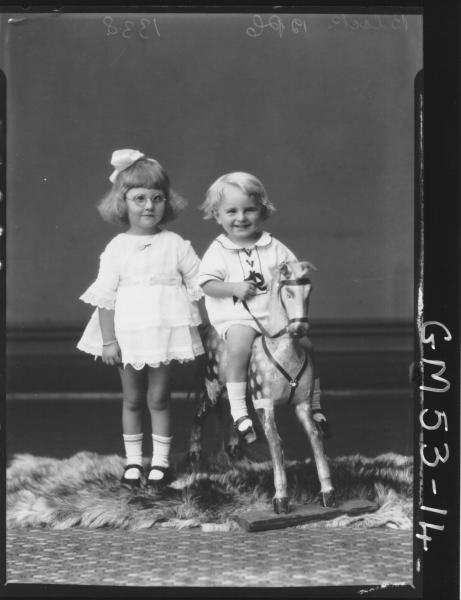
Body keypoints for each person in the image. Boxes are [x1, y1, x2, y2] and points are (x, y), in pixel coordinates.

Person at [77, 149, 204, 488]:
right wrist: (108, 340)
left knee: (159, 398)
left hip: (162, 332)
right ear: (123, 202)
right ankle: (134, 462)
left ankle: (160, 462)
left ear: (167, 201)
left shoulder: (175, 244)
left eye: (157, 198)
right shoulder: (117, 247)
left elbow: (201, 282)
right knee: (133, 398)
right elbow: (104, 298)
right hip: (128, 332)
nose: (149, 206)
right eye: (139, 198)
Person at [198, 171, 329, 444]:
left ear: (262, 211)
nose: (241, 217)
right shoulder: (219, 249)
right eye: (231, 211)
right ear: (217, 215)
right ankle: (239, 410)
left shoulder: (273, 247)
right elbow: (207, 285)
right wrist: (233, 288)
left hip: (274, 319)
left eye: (249, 210)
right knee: (239, 347)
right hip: (239, 317)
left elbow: (294, 274)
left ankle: (315, 405)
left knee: (306, 345)